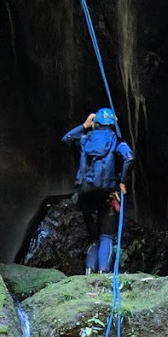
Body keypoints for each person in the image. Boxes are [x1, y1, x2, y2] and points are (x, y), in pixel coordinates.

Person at [62, 108, 134, 274]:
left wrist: (84, 125)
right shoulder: (116, 141)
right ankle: (103, 272)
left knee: (93, 238)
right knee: (106, 236)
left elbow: (66, 139)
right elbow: (129, 157)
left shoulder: (85, 139)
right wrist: (123, 182)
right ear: (112, 124)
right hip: (107, 194)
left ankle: (88, 271)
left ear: (96, 123)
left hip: (86, 194)